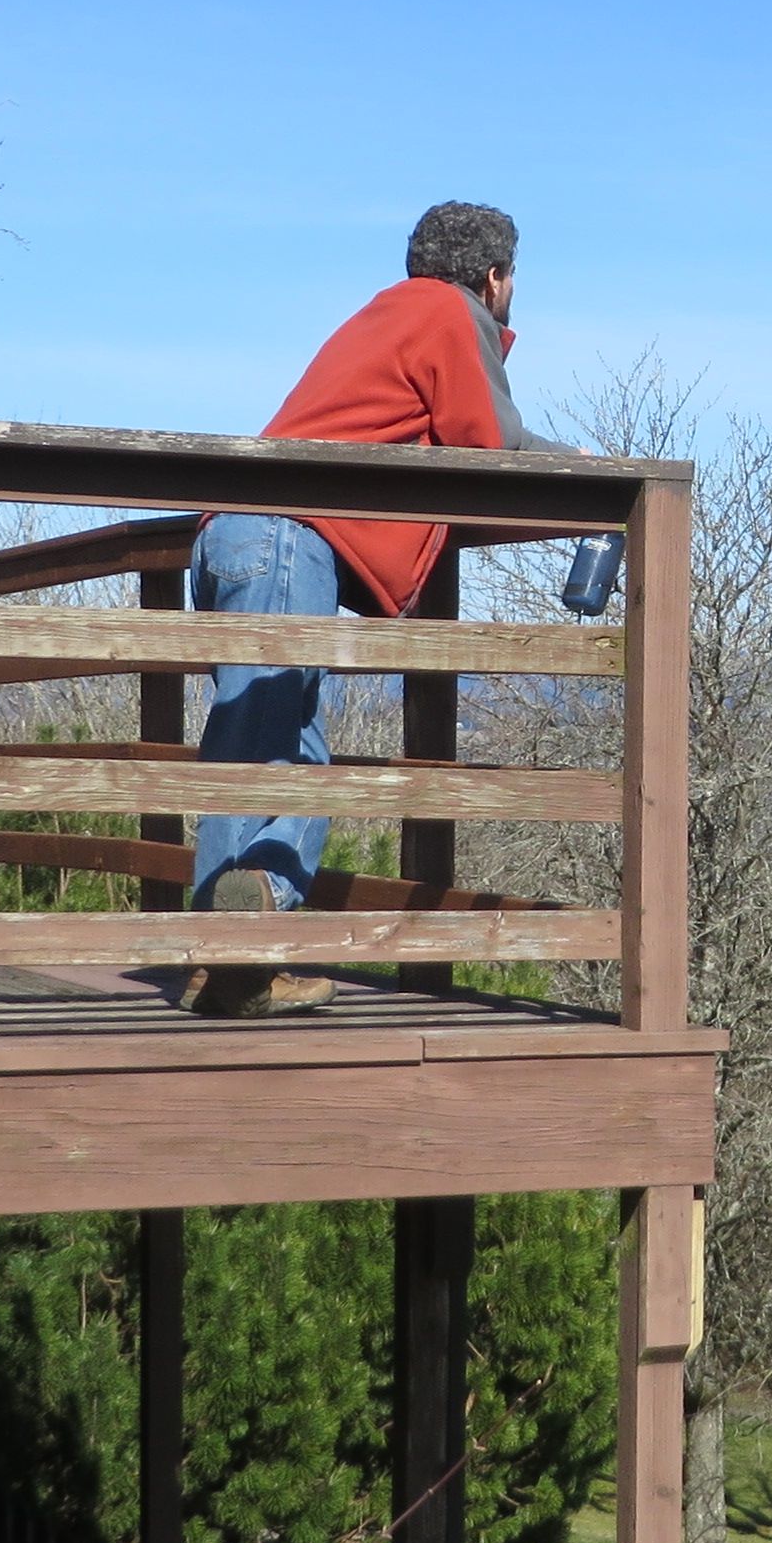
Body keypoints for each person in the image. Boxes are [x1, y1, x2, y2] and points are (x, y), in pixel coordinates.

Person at [186, 201, 566, 1015]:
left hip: (232, 536)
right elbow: (490, 443)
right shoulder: (446, 312)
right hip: (285, 538)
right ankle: (252, 921)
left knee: (258, 743)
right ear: (495, 277)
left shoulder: (387, 313)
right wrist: (586, 469)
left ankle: (223, 969)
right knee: (272, 754)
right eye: (511, 280)